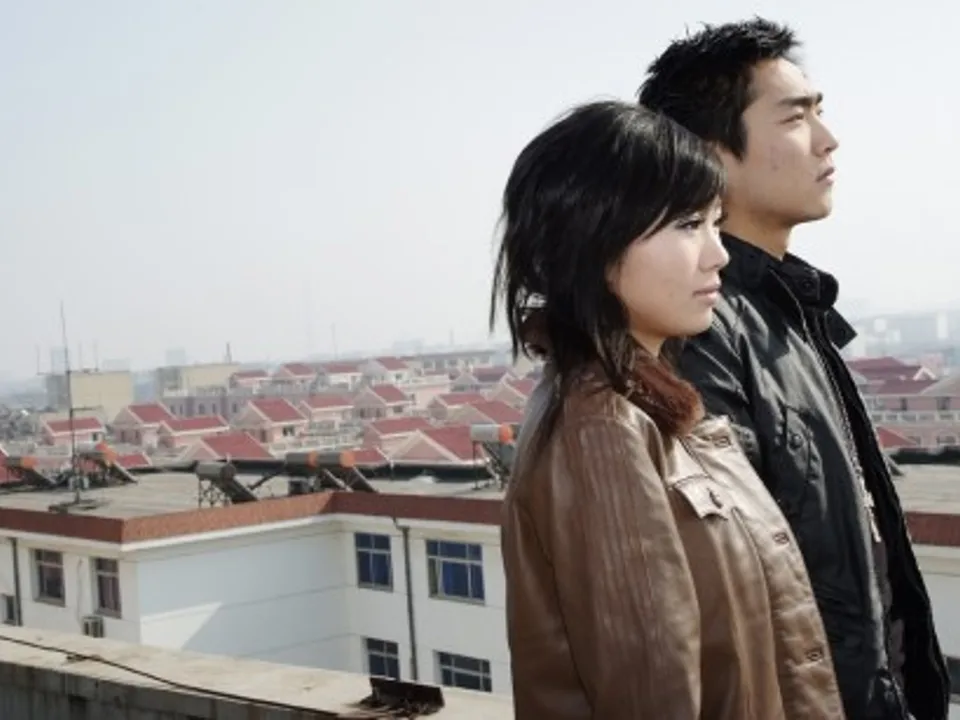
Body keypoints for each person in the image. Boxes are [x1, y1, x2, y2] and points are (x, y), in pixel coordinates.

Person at [491, 100, 845, 719]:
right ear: (592, 243)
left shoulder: (651, 403)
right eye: (687, 225)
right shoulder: (603, 429)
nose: (718, 254)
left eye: (715, 223)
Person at [637, 18, 948, 720]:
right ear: (710, 155)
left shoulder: (787, 310)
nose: (828, 139)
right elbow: (731, 590)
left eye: (819, 111)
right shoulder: (702, 331)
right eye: (796, 117)